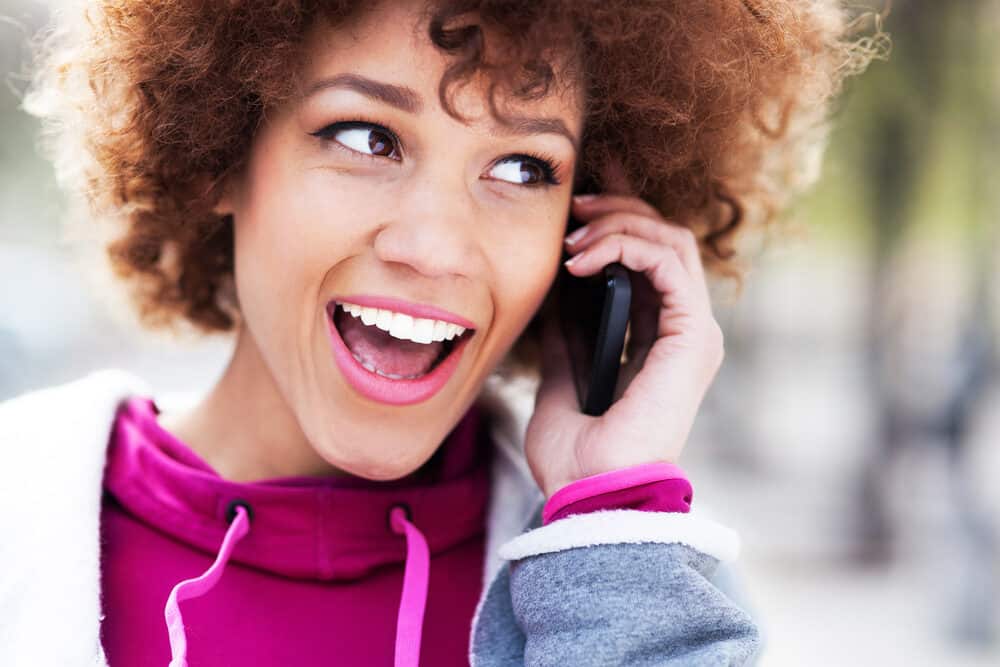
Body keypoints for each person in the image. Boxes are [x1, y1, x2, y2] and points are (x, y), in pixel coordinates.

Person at [2, 0, 872, 664]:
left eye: (522, 168)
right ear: (218, 154)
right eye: (365, 136)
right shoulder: (20, 520)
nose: (435, 249)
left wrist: (607, 520)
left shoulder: (639, 582)